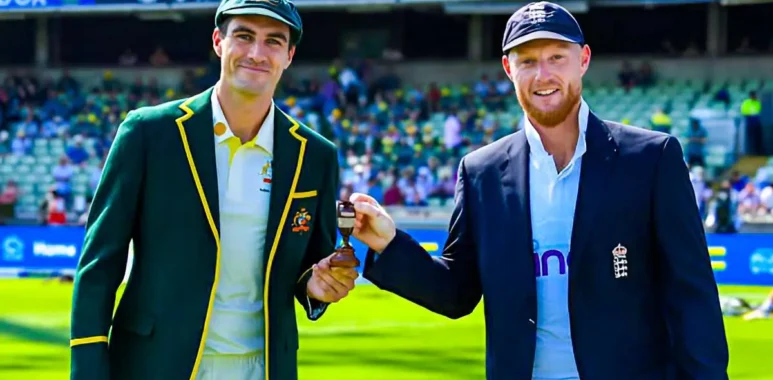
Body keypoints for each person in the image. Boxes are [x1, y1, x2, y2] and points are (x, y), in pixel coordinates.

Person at [348, 2, 729, 379]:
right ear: (508, 69)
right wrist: (389, 243)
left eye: (556, 57)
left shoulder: (650, 158)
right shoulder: (482, 172)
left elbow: (692, 295)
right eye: (527, 61)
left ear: (583, 59)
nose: (543, 75)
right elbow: (455, 292)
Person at [69, 1, 358, 379]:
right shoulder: (148, 132)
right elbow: (99, 264)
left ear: (288, 56)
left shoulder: (316, 154)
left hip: (266, 367)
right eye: (244, 36)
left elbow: (310, 266)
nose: (257, 53)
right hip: (155, 364)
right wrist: (88, 367)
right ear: (218, 41)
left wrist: (320, 285)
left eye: (273, 41)